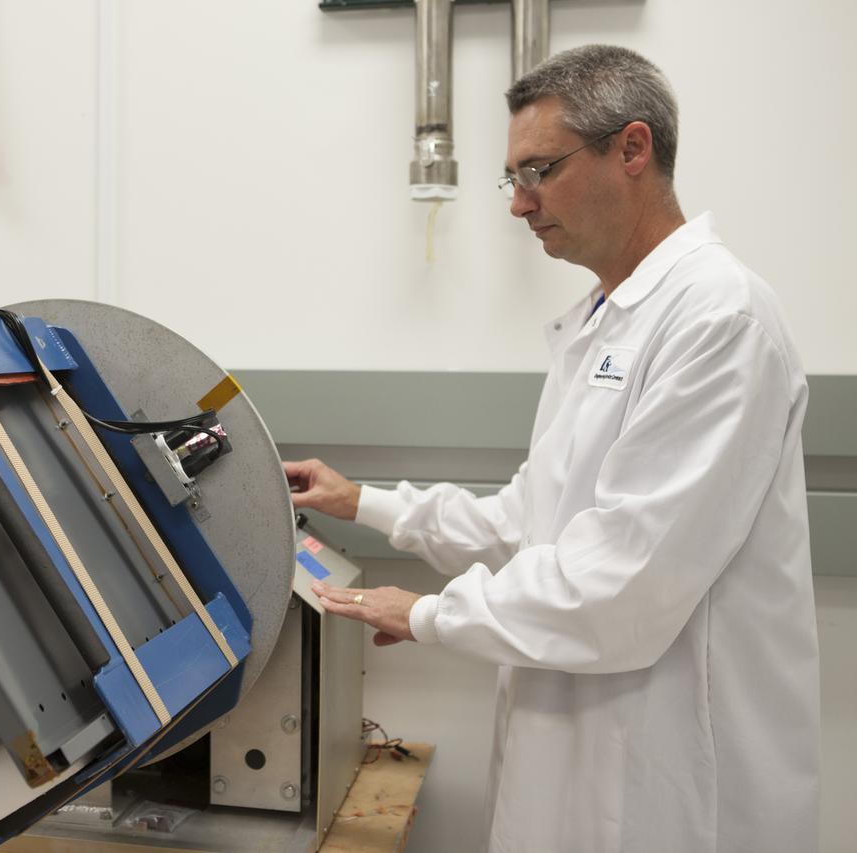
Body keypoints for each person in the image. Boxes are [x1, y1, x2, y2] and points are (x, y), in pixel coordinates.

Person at [285, 45, 820, 853]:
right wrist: (364, 502)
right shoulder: (608, 320)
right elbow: (533, 521)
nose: (518, 204)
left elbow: (622, 583)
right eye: (511, 178)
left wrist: (428, 614)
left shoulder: (719, 320)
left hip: (673, 790)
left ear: (632, 149)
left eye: (538, 171)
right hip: (580, 765)